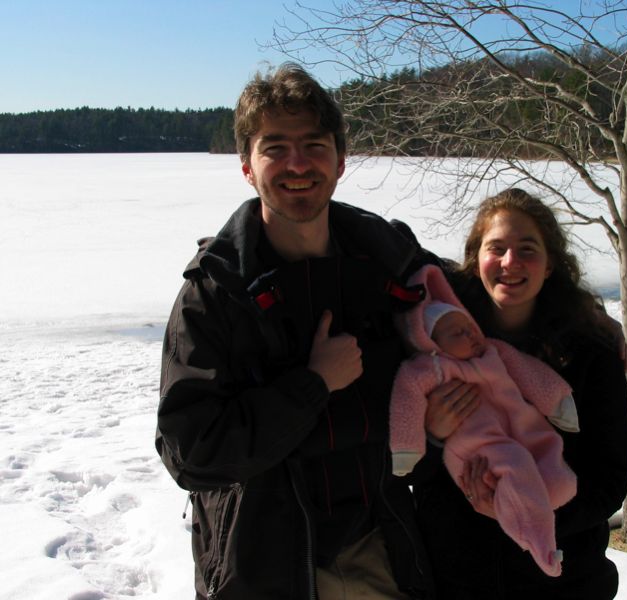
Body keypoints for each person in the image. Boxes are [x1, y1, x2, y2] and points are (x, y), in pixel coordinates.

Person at [155, 63, 437, 600]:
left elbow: (484, 298)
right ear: (246, 166)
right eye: (275, 147)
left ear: (340, 159)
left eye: (313, 144)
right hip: (266, 562)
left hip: (379, 548)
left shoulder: (385, 261)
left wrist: (581, 320)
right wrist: (312, 385)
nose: (297, 163)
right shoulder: (216, 292)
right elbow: (190, 452)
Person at [414, 188, 627, 599]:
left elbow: (610, 477)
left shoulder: (589, 353)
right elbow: (403, 464)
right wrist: (432, 435)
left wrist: (528, 513)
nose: (510, 263)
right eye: (496, 248)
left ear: (550, 264)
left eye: (527, 249)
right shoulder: (438, 341)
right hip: (455, 576)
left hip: (562, 580)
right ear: (476, 257)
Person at [389, 264, 579, 577]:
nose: (470, 335)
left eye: (470, 327)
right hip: (477, 449)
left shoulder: (494, 351)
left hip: (522, 432)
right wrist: (407, 449)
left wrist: (557, 400)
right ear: (432, 341)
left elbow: (528, 372)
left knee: (559, 478)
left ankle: (529, 514)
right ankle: (539, 543)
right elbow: (406, 400)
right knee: (515, 461)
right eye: (456, 333)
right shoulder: (429, 370)